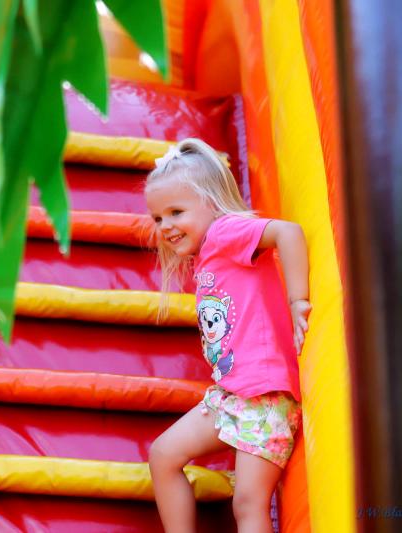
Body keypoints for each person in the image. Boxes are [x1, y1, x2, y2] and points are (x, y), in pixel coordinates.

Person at [145, 138, 312, 533]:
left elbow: (288, 232)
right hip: (233, 396)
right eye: (158, 218)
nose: (166, 226)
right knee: (163, 455)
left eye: (176, 212)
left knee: (249, 503)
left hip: (265, 395)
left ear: (211, 202)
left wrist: (298, 301)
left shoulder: (225, 232)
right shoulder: (206, 255)